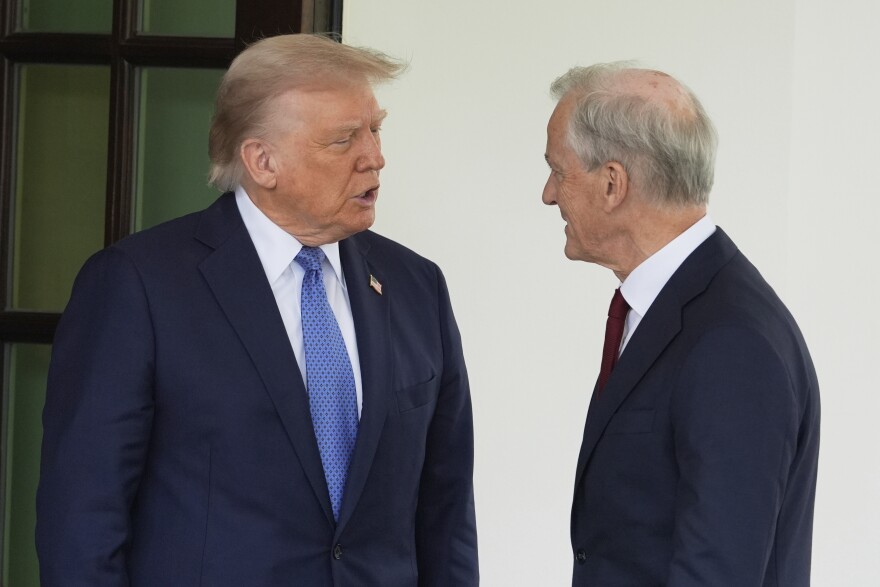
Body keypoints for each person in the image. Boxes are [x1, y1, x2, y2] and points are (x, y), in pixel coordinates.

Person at [36, 34, 478, 586]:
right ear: (262, 161)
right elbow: (83, 520)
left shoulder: (417, 287)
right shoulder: (138, 285)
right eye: (344, 140)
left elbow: (446, 509)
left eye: (375, 129)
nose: (375, 157)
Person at [542, 62, 819, 585]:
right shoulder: (683, 309)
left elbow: (718, 570)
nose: (548, 194)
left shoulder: (731, 342)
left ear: (611, 184)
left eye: (559, 170)